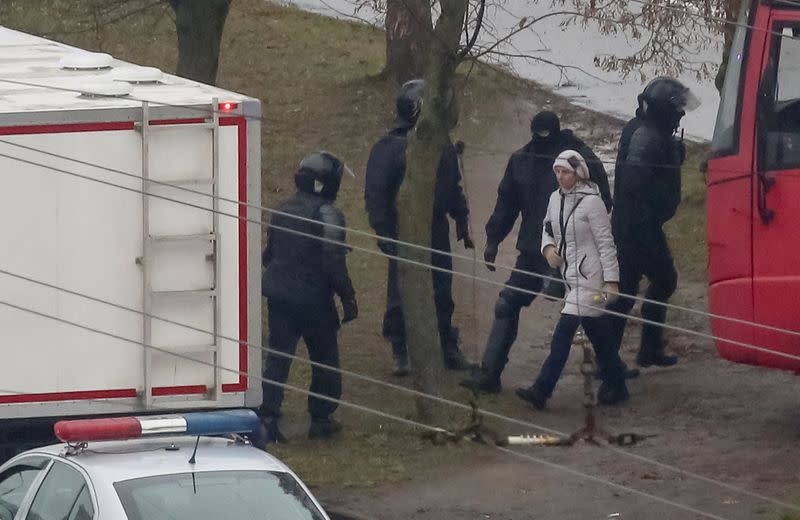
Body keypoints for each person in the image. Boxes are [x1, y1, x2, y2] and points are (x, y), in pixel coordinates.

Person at [460, 110, 613, 394]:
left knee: (583, 313)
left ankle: (611, 374)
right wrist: (493, 239)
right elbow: (507, 203)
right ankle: (490, 373)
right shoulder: (521, 160)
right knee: (507, 303)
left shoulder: (580, 158)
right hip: (533, 251)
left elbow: (603, 202)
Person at [365, 78, 474, 376]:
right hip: (404, 230)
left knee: (441, 289)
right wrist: (384, 233)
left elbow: (452, 186)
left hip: (435, 228)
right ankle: (400, 350)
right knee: (401, 292)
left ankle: (446, 345)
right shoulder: (389, 148)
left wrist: (461, 219)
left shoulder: (442, 146)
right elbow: (375, 195)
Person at [515, 150, 629, 409]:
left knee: (564, 332)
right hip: (569, 278)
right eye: (557, 171)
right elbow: (547, 228)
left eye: (565, 171)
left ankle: (541, 390)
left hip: (592, 280)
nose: (560, 176)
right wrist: (548, 250)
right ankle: (617, 381)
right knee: (598, 333)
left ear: (578, 173)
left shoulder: (593, 203)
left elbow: (606, 244)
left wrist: (611, 281)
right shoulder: (554, 199)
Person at [259, 151, 358, 443]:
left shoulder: (282, 210)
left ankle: (268, 418)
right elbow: (333, 261)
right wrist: (348, 296)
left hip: (279, 296)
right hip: (314, 300)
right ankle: (321, 417)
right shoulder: (328, 214)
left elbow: (269, 256)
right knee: (325, 358)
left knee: (277, 358)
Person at [604, 77, 698, 369]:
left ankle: (634, 353)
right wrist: (641, 233)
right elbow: (635, 184)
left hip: (636, 225)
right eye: (677, 108)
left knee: (631, 289)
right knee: (657, 282)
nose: (681, 113)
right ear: (663, 110)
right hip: (637, 227)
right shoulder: (647, 137)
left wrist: (672, 155)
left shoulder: (650, 131)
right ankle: (618, 358)